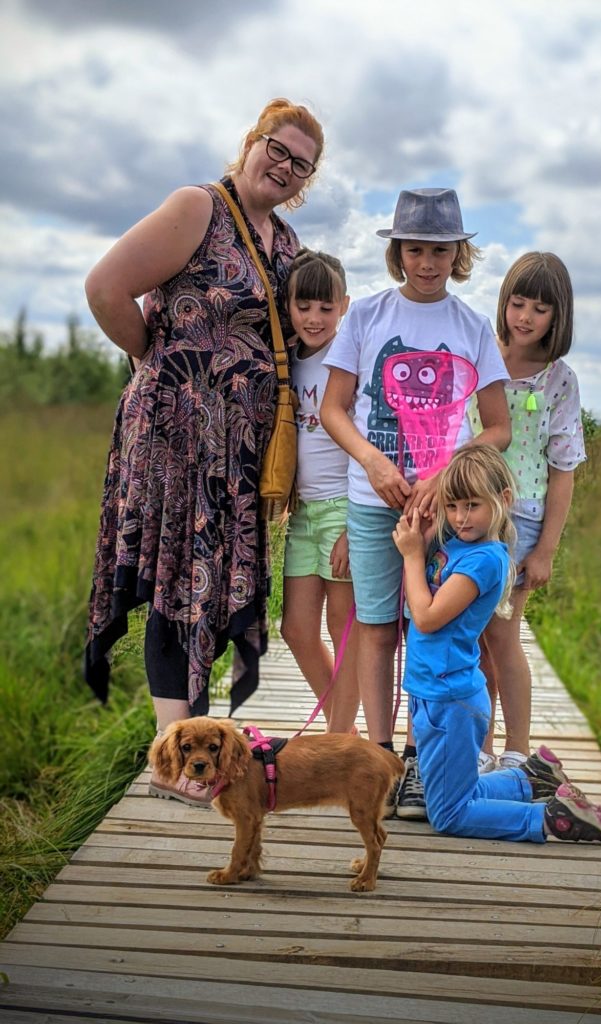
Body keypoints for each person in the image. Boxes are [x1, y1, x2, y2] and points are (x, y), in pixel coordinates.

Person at [83, 98, 324, 805]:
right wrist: (158, 363)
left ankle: (195, 749)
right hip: (177, 440)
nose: (284, 167)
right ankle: (171, 759)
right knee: (176, 581)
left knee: (213, 586)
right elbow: (105, 288)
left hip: (240, 454)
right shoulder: (199, 208)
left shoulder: (287, 244)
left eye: (300, 164)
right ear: (251, 142)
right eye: (276, 149)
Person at [320, 188, 511, 820]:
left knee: (429, 626)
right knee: (377, 627)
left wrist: (447, 474)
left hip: (445, 510)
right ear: (398, 252)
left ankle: (421, 758)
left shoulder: (472, 327)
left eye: (440, 250)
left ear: (458, 254)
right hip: (373, 501)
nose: (427, 263)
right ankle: (379, 760)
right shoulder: (367, 316)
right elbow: (334, 409)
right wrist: (372, 462)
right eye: (415, 249)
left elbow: (498, 427)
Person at [392, 444, 601, 846]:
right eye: (452, 506)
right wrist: (424, 531)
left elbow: (427, 617)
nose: (461, 517)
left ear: (502, 500)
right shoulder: (459, 545)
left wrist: (413, 557)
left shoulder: (486, 559)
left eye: (472, 505)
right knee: (447, 793)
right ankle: (531, 779)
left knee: (448, 814)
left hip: (451, 700)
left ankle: (551, 819)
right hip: (432, 691)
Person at [469, 252, 586, 773]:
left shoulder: (559, 380)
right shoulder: (481, 357)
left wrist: (546, 551)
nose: (525, 317)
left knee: (501, 635)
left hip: (521, 520)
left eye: (540, 309)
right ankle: (479, 745)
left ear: (557, 316)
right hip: (467, 514)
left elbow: (564, 469)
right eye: (517, 303)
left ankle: (516, 749)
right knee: (470, 637)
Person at [279, 248, 359, 733]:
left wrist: (356, 526)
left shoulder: (349, 362)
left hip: (345, 508)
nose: (314, 318)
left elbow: (369, 440)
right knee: (296, 629)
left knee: (342, 629)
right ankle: (344, 732)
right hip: (304, 512)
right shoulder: (287, 360)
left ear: (344, 306)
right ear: (288, 305)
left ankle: (337, 742)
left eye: (326, 308)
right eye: (303, 306)